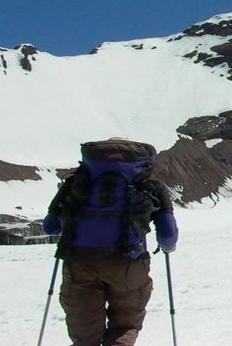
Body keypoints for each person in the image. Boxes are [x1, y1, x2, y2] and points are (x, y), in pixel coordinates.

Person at [42, 138, 178, 346]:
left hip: (79, 263)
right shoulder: (150, 186)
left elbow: (50, 227)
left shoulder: (76, 183)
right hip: (129, 265)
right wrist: (168, 247)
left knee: (84, 337)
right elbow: (168, 235)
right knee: (124, 327)